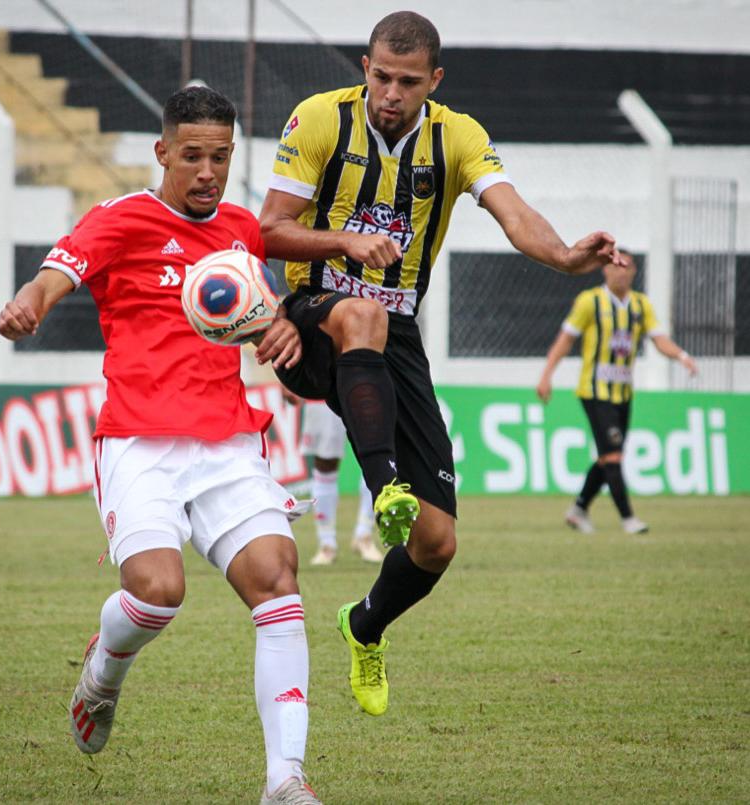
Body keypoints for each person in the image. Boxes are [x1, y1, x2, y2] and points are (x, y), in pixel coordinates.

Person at [259, 10, 625, 717]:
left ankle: (364, 624)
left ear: (434, 80)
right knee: (360, 311)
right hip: (308, 322)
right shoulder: (319, 120)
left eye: (407, 81)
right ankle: (383, 488)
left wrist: (564, 256)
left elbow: (511, 210)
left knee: (436, 542)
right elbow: (268, 229)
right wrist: (345, 243)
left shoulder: (456, 136)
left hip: (393, 339)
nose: (390, 93)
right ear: (364, 66)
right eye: (380, 76)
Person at [0, 86, 322, 805]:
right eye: (194, 156)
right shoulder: (123, 219)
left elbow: (267, 315)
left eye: (222, 157)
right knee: (157, 594)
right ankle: (103, 672)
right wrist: (30, 303)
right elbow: (57, 274)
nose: (209, 172)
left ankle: (285, 779)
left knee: (278, 580)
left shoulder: (242, 230)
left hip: (228, 443)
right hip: (140, 440)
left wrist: (283, 329)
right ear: (164, 153)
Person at [536, 250, 698, 534]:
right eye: (615, 265)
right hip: (595, 392)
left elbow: (659, 340)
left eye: (626, 266)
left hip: (623, 393)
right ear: (605, 270)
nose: (621, 271)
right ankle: (629, 519)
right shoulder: (590, 302)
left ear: (633, 271)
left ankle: (578, 509)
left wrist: (682, 356)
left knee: (608, 456)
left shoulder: (640, 305)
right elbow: (565, 340)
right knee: (613, 456)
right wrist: (547, 375)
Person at [286, 393, 381, 565]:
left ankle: (364, 534)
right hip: (325, 388)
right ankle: (326, 543)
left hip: (368, 384)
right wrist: (286, 379)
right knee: (325, 462)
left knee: (376, 458)